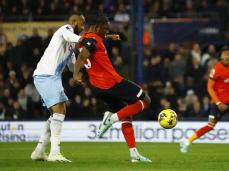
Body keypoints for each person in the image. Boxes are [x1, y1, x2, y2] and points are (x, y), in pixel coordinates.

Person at [73, 12, 152, 162]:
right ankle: (111, 119)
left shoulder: (84, 39)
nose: (107, 31)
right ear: (97, 27)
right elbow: (82, 56)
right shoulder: (92, 40)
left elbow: (92, 42)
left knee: (126, 115)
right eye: (105, 28)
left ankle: (134, 154)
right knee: (145, 100)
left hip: (98, 87)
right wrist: (75, 75)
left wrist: (109, 37)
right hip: (112, 83)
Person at [31, 14, 85, 162]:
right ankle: (55, 152)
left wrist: (78, 74)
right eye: (82, 23)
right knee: (59, 110)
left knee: (57, 113)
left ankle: (39, 151)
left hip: (51, 77)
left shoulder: (72, 45)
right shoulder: (65, 29)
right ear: (74, 21)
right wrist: (83, 39)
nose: (83, 26)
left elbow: (72, 65)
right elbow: (69, 36)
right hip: (46, 75)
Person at [180, 46, 229, 154]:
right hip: (219, 102)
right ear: (220, 57)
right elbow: (209, 87)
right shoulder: (216, 69)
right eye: (225, 54)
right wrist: (218, 103)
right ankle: (187, 141)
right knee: (210, 126)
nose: (227, 56)